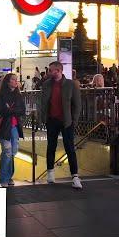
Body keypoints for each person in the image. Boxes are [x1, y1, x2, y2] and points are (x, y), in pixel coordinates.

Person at [39, 61, 83, 189]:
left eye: (51, 70)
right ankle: (50, 173)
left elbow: (77, 105)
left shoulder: (71, 85)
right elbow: (43, 102)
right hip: (52, 120)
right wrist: (44, 119)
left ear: (58, 71)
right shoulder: (47, 84)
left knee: (70, 148)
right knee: (50, 147)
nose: (49, 72)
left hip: (66, 121)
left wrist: (73, 121)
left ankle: (75, 176)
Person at [0, 73, 25, 187]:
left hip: (15, 126)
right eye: (13, 79)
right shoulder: (1, 94)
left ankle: (9, 177)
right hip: (4, 126)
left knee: (13, 151)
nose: (16, 81)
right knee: (7, 151)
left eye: (16, 80)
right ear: (7, 81)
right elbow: (3, 111)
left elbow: (22, 110)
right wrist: (14, 110)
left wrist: (11, 109)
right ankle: (3, 178)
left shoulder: (18, 95)